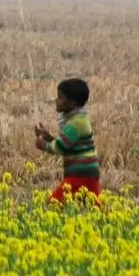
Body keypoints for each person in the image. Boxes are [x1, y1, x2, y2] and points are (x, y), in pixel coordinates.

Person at [35, 77, 100, 205]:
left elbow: (61, 147)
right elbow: (68, 145)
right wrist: (48, 137)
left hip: (80, 176)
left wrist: (44, 145)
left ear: (71, 104)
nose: (56, 101)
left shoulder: (75, 124)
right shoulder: (77, 120)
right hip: (87, 174)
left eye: (60, 97)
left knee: (54, 204)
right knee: (92, 208)